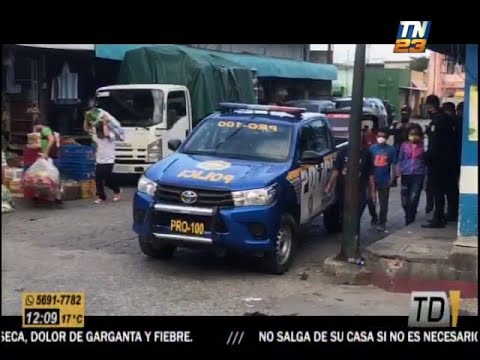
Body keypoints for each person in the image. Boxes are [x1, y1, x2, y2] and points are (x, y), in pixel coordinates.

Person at [422, 95, 457, 228]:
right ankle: (443, 215)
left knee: (438, 190)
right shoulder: (446, 118)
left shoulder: (438, 120)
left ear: (430, 106)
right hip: (448, 161)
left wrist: (427, 157)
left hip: (438, 162)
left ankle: (438, 218)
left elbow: (434, 143)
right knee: (447, 188)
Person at [325, 144, 376, 229]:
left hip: (360, 189)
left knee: (358, 211)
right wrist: (329, 185)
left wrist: (373, 191)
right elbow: (336, 170)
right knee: (344, 211)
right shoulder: (342, 152)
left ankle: (354, 231)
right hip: (343, 189)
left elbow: (371, 174)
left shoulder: (366, 153)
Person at [84, 111, 123, 204]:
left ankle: (117, 191)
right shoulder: (96, 136)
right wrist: (86, 118)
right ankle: (101, 197)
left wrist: (105, 123)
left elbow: (106, 134)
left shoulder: (111, 135)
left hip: (109, 160)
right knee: (98, 179)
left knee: (108, 178)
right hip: (99, 160)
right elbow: (86, 128)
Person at [396, 124, 426, 225]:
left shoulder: (423, 146)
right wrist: (398, 170)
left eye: (416, 134)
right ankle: (408, 212)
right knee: (404, 199)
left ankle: (410, 218)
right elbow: (400, 159)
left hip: (418, 174)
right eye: (411, 134)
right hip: (406, 174)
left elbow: (425, 161)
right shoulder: (404, 145)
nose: (414, 136)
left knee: (414, 197)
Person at [369, 128, 397, 232]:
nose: (380, 138)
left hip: (384, 179)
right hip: (372, 179)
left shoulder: (391, 150)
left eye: (383, 136)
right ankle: (374, 217)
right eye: (379, 136)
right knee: (370, 200)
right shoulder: (372, 149)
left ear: (387, 138)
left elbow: (394, 164)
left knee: (383, 203)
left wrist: (393, 178)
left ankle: (382, 222)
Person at [33, 117, 62, 204]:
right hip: (46, 156)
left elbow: (51, 140)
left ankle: (57, 197)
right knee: (43, 176)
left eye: (36, 125)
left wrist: (46, 153)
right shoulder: (40, 132)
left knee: (52, 176)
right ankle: (38, 195)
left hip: (51, 157)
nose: (35, 127)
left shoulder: (45, 129)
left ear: (39, 124)